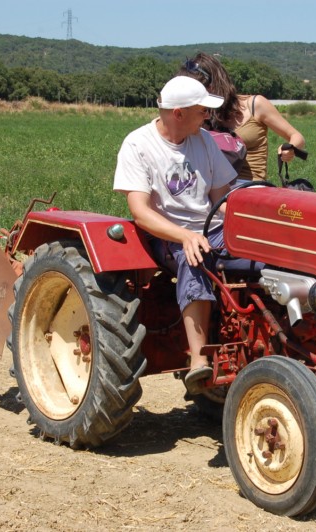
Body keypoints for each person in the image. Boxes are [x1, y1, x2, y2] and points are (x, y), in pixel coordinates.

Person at [113, 75, 236, 395]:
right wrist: (184, 235)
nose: (207, 116)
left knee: (258, 257)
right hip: (163, 233)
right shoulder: (138, 144)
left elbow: (222, 199)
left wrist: (248, 226)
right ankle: (198, 360)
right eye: (202, 111)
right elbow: (140, 212)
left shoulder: (204, 140)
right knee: (193, 259)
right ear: (178, 113)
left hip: (208, 228)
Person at [179, 52, 306, 182]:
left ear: (215, 84)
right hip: (212, 189)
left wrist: (289, 148)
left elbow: (297, 137)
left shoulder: (255, 105)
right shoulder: (200, 113)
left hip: (249, 188)